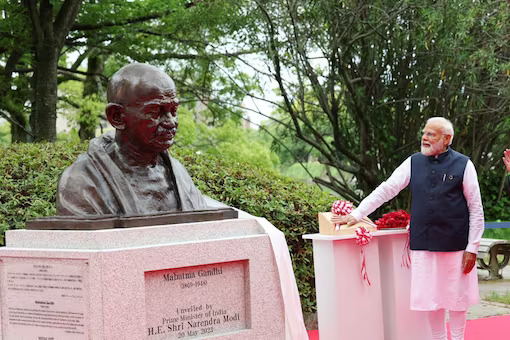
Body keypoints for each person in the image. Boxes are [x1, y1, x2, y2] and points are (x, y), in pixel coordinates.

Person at [331, 117, 484, 340]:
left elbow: (476, 208)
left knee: (457, 298)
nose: (424, 137)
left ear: (447, 138)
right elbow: (386, 190)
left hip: (456, 245)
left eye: (431, 134)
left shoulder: (464, 164)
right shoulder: (413, 162)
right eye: (424, 132)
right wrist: (357, 214)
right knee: (431, 299)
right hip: (423, 243)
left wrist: (473, 246)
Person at [57, 63, 209, 215]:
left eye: (173, 111)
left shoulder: (178, 173)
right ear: (116, 116)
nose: (170, 122)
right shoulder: (83, 182)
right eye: (156, 111)